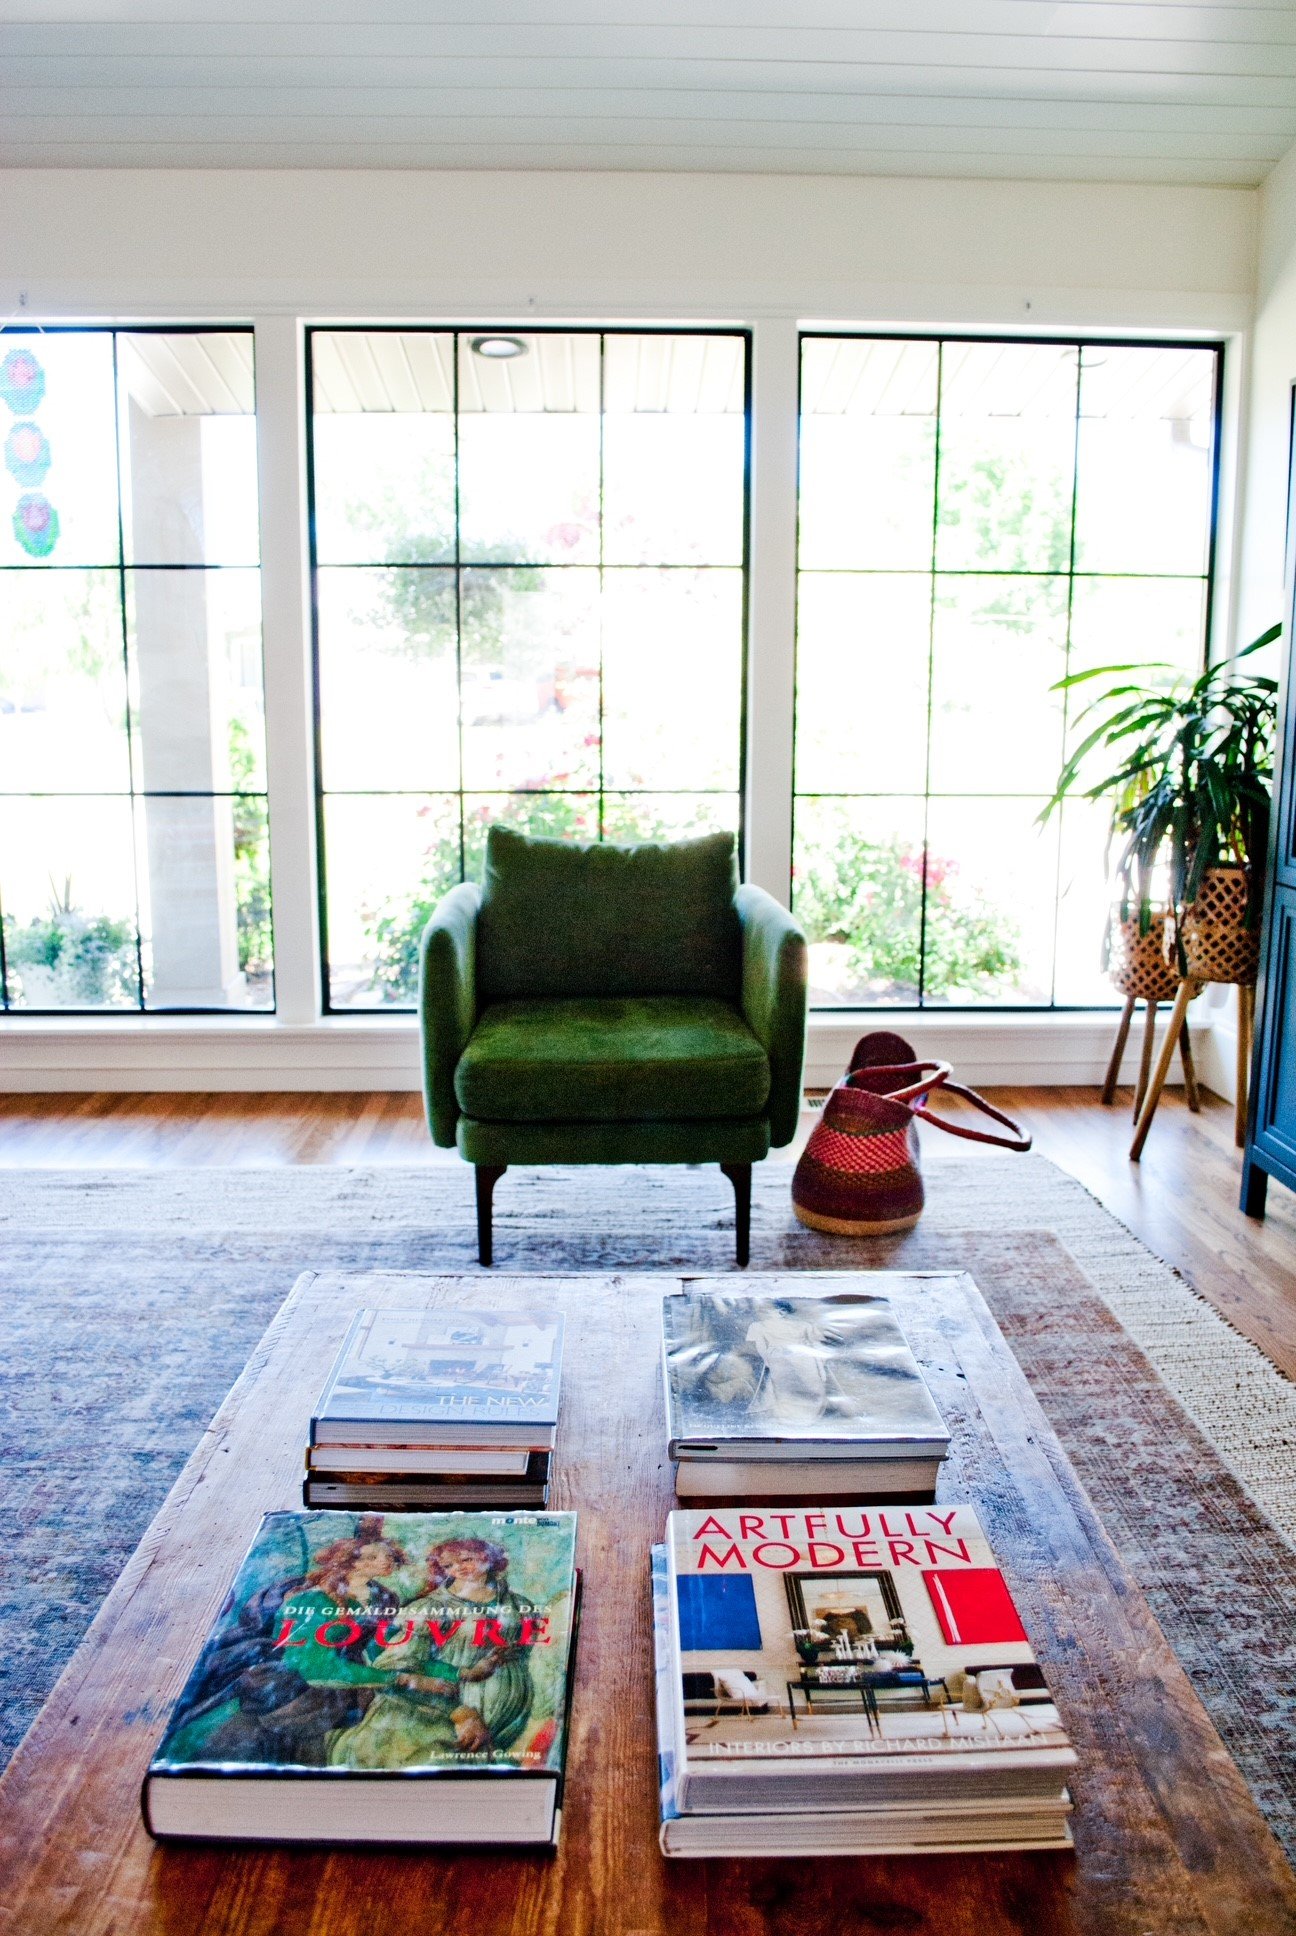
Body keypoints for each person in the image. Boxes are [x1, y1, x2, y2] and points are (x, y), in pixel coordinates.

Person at [330, 1535, 538, 1768]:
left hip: (502, 1728)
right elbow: (392, 1668)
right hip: (429, 1724)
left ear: (488, 1558)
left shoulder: (520, 1605)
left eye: (466, 1559)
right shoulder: (430, 1608)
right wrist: (456, 1710)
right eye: (449, 1565)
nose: (458, 1569)